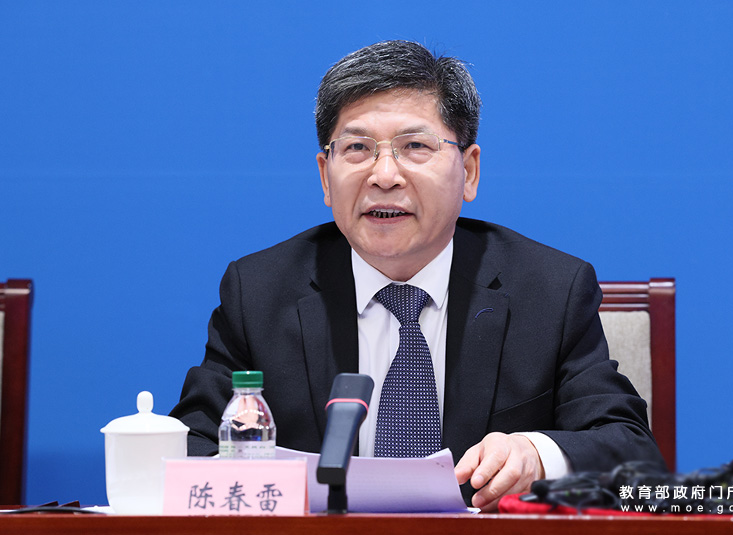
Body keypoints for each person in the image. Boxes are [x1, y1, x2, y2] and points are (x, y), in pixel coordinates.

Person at [170, 40, 665, 511]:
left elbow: (631, 450)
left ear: (469, 171)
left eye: (414, 146)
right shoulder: (259, 292)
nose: (384, 175)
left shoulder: (550, 291)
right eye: (357, 148)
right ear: (325, 176)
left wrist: (537, 454)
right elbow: (192, 447)